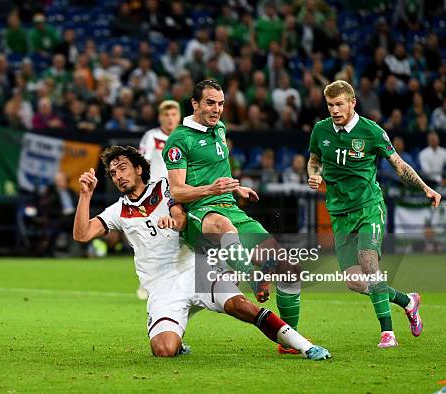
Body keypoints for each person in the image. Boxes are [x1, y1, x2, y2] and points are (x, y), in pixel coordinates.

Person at [73, 145, 330, 360]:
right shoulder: (117, 211)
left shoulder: (165, 188)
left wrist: (233, 190)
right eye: (113, 172)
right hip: (162, 288)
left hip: (196, 270)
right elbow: (82, 234)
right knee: (163, 350)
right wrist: (85, 195)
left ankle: (305, 346)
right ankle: (177, 336)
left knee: (241, 306)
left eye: (123, 167)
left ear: (139, 168)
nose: (118, 175)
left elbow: (191, 203)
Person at [163, 80, 305, 355]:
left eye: (220, 103)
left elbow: (218, 169)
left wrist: (235, 186)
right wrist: (211, 190)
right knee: (222, 224)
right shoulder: (178, 139)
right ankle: (252, 277)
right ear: (194, 104)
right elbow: (177, 189)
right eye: (210, 103)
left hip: (230, 207)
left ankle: (289, 343)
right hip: (199, 214)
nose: (217, 109)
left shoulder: (219, 128)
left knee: (289, 268)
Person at [307, 80, 442, 348]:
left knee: (369, 263)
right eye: (330, 105)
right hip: (339, 213)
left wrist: (425, 188)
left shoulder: (371, 131)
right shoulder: (320, 130)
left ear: (352, 102)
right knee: (355, 282)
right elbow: (314, 160)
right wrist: (314, 174)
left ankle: (387, 333)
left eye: (339, 104)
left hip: (369, 207)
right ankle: (408, 301)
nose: (335, 110)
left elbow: (399, 165)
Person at [132, 100, 182, 300]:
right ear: (160, 117)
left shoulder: (185, 136)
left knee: (180, 239)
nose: (170, 119)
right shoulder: (152, 137)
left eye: (173, 115)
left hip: (181, 193)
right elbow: (141, 164)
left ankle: (177, 283)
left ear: (178, 116)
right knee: (153, 240)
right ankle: (146, 282)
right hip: (156, 196)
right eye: (166, 115)